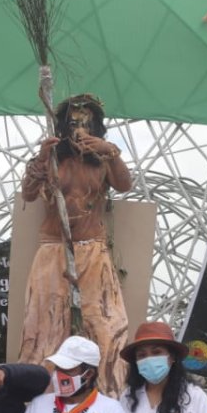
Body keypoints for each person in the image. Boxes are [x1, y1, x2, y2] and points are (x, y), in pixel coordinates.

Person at [20, 94, 133, 395]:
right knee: (44, 325)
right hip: (52, 248)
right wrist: (42, 160)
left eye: (86, 122)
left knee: (104, 325)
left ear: (95, 125)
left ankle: (107, 392)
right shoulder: (53, 157)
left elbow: (125, 185)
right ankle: (40, 395)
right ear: (62, 124)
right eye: (73, 121)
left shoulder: (102, 158)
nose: (79, 127)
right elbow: (28, 194)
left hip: (93, 249)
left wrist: (111, 153)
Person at [12, 335, 131, 413]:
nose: (58, 374)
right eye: (57, 368)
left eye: (66, 369)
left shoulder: (111, 410)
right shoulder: (38, 405)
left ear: (88, 374)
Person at [119, 322, 207, 413]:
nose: (149, 359)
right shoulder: (128, 398)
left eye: (156, 352)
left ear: (172, 357)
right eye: (142, 355)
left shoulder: (195, 397)